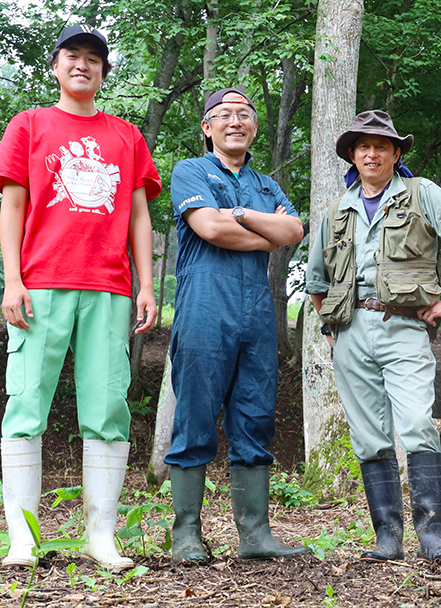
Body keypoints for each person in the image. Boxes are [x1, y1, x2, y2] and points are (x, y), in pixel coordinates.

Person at [0, 24, 161, 571]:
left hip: (109, 287)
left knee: (108, 408)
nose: (82, 64)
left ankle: (100, 537)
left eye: (93, 58)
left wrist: (147, 284)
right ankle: (23, 539)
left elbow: (138, 215)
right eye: (72, 56)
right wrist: (12, 280)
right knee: (26, 405)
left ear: (104, 72)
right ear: (57, 67)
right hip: (39, 283)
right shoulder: (29, 125)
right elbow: (12, 206)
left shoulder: (126, 136)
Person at [306, 110, 441, 563]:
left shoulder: (422, 194)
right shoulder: (336, 209)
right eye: (363, 146)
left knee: (417, 424)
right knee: (368, 436)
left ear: (396, 153)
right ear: (352, 154)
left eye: (381, 146)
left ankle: (432, 536)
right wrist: (330, 328)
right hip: (350, 331)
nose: (371, 153)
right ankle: (387, 537)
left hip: (404, 325)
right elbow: (317, 281)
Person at [165, 88, 309, 564]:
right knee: (196, 416)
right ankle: (186, 534)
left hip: (257, 316)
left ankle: (256, 536)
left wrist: (242, 215)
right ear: (207, 127)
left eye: (244, 115)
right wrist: (263, 231)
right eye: (224, 115)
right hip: (205, 307)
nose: (235, 121)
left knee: (255, 416)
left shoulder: (266, 183)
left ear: (253, 126)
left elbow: (292, 233)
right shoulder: (190, 170)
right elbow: (208, 228)